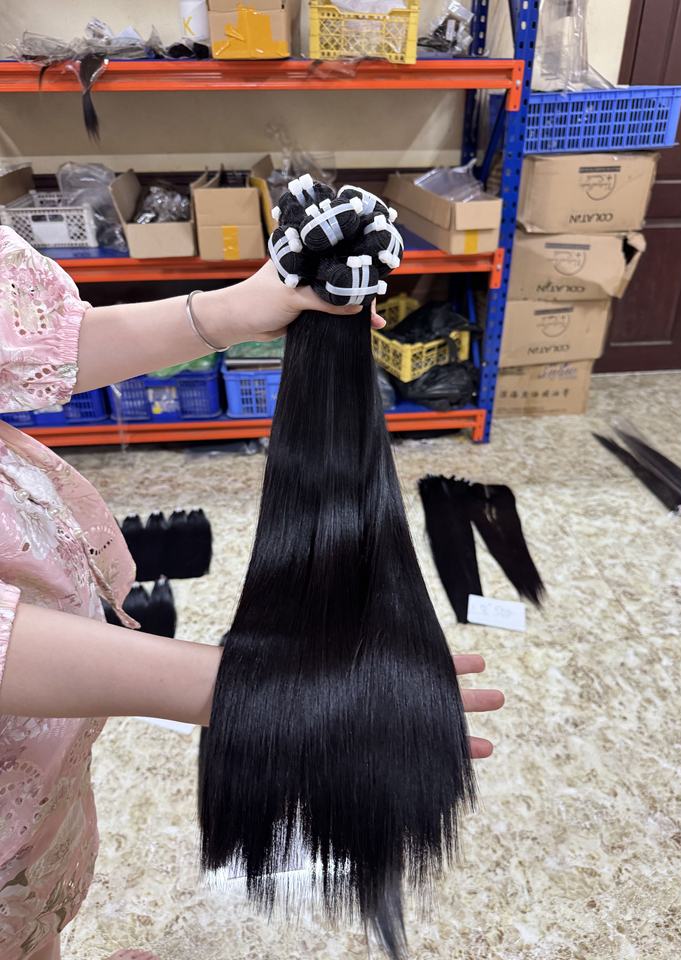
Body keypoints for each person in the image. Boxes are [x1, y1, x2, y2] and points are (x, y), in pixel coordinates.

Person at [0, 226, 503, 960]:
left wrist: (236, 309)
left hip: (33, 758)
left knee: (29, 893)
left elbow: (25, 340)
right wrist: (263, 694)